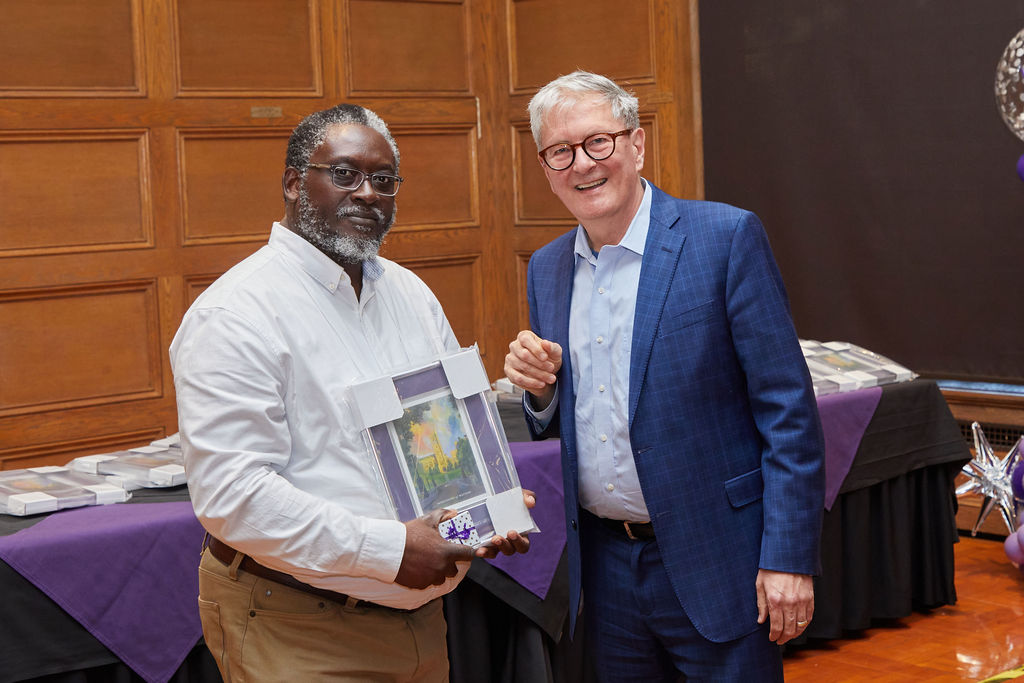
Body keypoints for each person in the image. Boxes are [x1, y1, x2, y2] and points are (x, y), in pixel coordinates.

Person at [170, 103, 530, 682]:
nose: (367, 193)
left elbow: (443, 447)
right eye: (344, 173)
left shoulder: (412, 295)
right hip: (300, 627)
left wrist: (481, 519)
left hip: (422, 622)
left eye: (384, 180)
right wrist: (391, 551)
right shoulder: (235, 313)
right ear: (294, 183)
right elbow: (232, 495)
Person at [503, 71, 824, 682]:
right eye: (560, 151)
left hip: (719, 557)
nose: (582, 164)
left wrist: (788, 557)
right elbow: (566, 420)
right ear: (545, 167)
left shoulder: (724, 238)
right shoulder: (547, 269)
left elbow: (788, 411)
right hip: (605, 571)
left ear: (637, 143)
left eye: (598, 141)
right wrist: (540, 392)